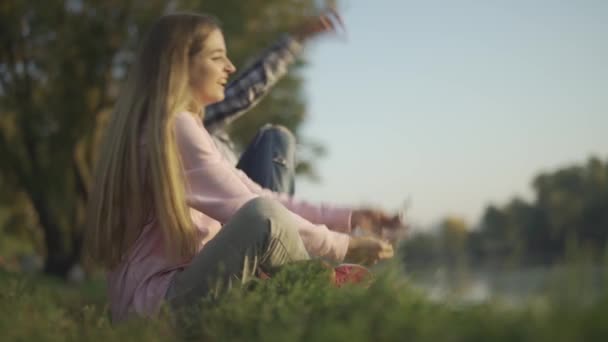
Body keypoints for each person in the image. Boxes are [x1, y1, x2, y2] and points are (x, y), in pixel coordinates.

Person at [85, 11, 403, 324]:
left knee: (264, 211)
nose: (230, 66)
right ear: (181, 63)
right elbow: (257, 212)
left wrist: (347, 219)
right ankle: (321, 299)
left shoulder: (180, 126)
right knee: (261, 216)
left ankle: (306, 294)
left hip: (156, 301)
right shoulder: (172, 128)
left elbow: (260, 193)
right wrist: (344, 246)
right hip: (158, 307)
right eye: (217, 57)